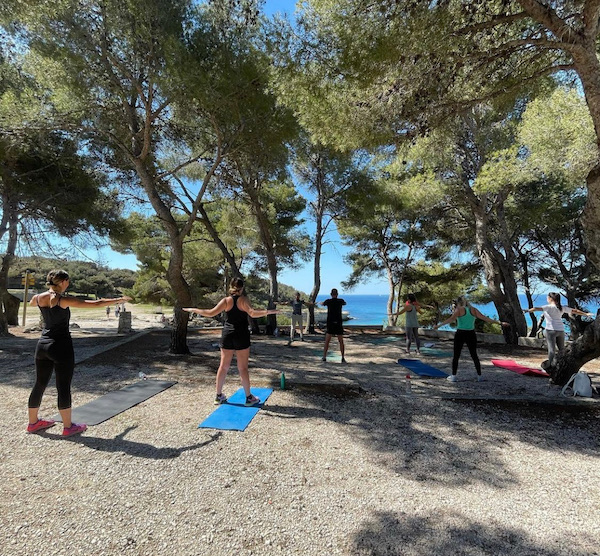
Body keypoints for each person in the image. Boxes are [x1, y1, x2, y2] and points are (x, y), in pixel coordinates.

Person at [27, 269, 131, 436]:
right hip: (61, 347)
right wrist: (119, 299)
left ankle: (33, 423)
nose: (68, 283)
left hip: (42, 346)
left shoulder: (39, 297)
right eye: (67, 281)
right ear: (62, 282)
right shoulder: (62, 300)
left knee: (39, 384)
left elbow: (32, 303)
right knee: (63, 386)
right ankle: (68, 427)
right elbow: (97, 303)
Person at [183, 277, 279, 406]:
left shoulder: (226, 301)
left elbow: (210, 313)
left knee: (223, 366)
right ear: (242, 288)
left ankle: (218, 396)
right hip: (241, 336)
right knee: (242, 368)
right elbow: (252, 313)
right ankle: (249, 398)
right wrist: (269, 312)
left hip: (227, 335)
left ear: (230, 287)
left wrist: (194, 309)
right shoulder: (244, 300)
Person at [434, 296, 509, 382]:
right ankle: (479, 376)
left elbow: (451, 319)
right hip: (471, 334)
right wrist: (500, 323)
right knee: (474, 355)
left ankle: (454, 376)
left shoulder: (459, 310)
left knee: (456, 355)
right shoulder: (473, 310)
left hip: (460, 333)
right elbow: (485, 318)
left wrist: (439, 325)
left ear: (458, 303)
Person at [523, 292, 593, 367]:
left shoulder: (548, 307)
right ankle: (562, 366)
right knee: (561, 350)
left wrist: (527, 310)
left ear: (550, 299)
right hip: (560, 330)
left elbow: (536, 308)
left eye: (547, 298)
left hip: (551, 330)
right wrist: (586, 314)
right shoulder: (562, 307)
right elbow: (574, 311)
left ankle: (550, 367)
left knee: (551, 350)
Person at [321, 288, 347, 363]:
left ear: (331, 294)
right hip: (338, 323)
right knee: (341, 341)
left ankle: (324, 357)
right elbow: (344, 303)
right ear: (337, 294)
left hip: (330, 323)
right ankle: (342, 357)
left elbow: (323, 304)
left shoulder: (328, 301)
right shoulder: (340, 301)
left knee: (327, 341)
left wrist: (322, 303)